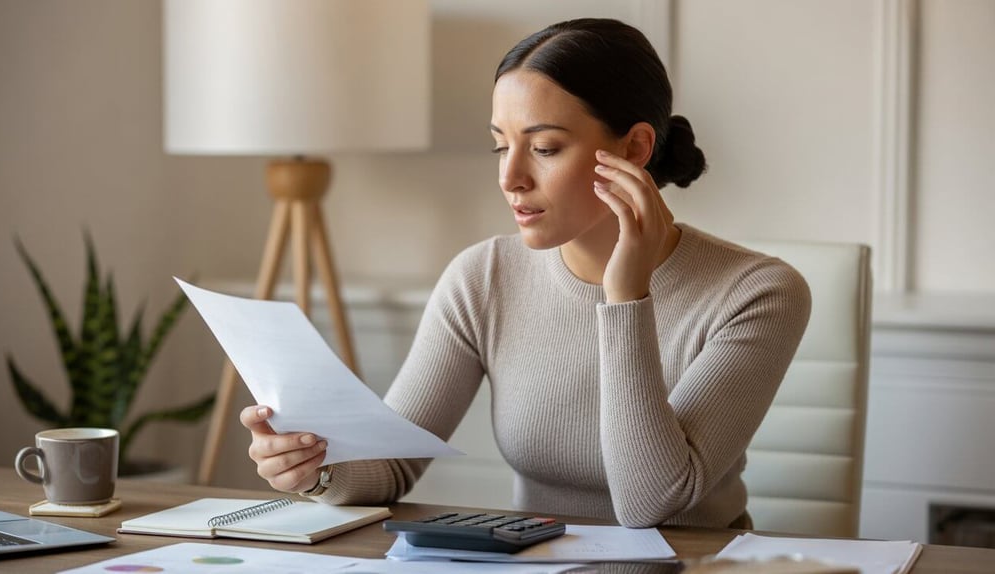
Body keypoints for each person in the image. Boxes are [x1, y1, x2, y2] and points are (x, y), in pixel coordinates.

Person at [241, 18, 811, 530]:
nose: (510, 177)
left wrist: (624, 299)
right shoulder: (483, 276)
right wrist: (314, 465)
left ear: (636, 147)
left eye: (544, 147)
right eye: (500, 147)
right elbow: (392, 462)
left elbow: (649, 503)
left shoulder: (759, 292)